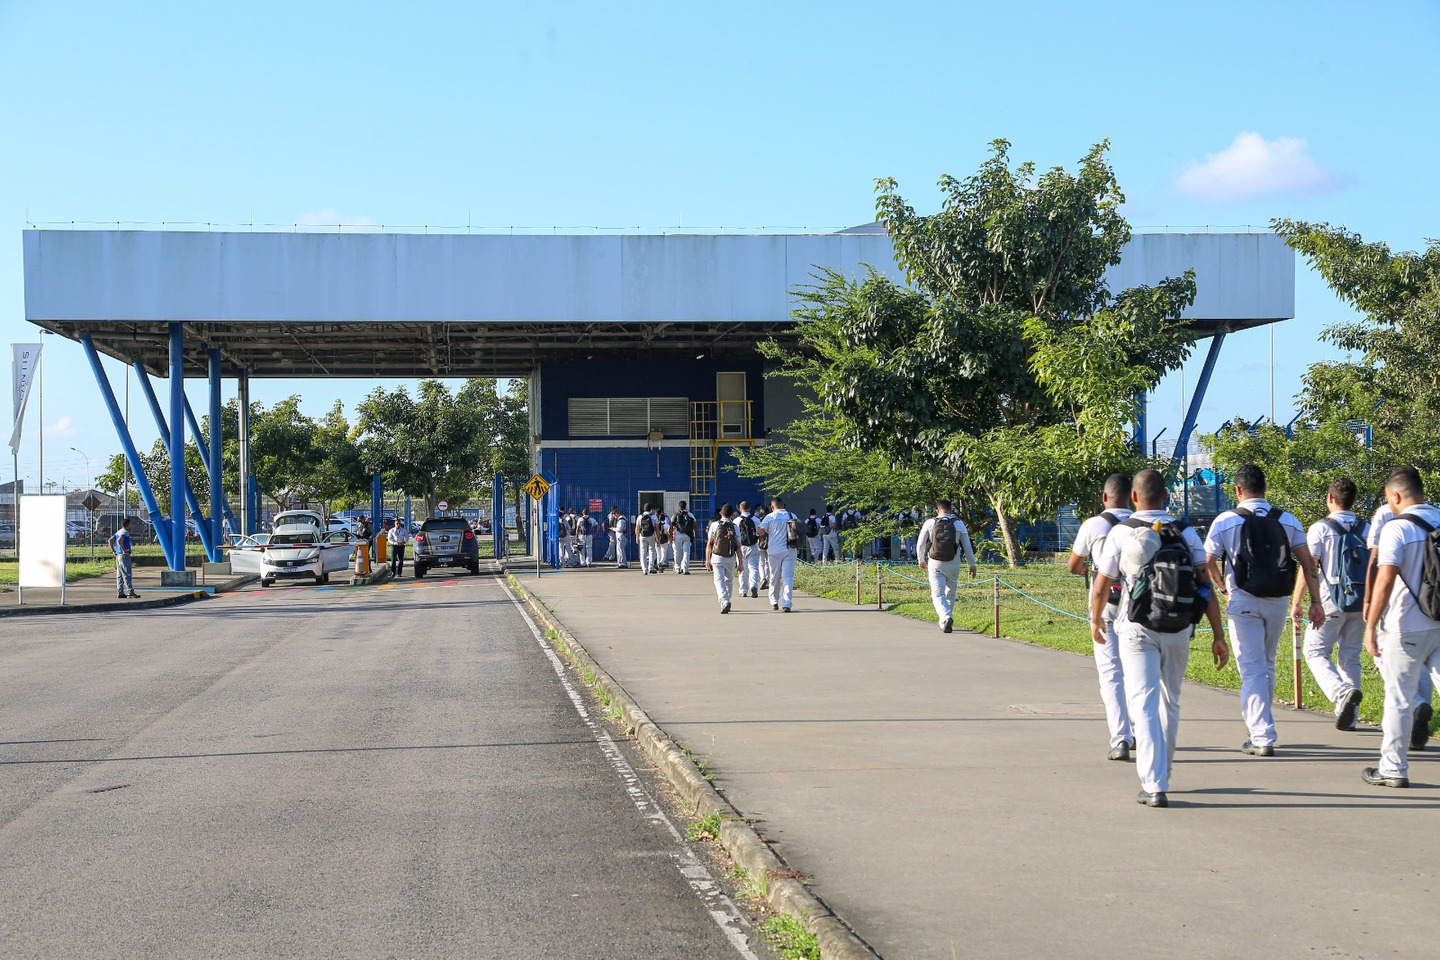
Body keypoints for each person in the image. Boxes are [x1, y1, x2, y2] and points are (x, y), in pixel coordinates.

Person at [1091, 469, 1228, 808]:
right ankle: (1164, 771)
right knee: (1171, 700)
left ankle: (1153, 784)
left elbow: (1101, 584)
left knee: (1143, 701)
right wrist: (1218, 634)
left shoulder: (1121, 532)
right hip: (1180, 625)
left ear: (1133, 498)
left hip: (1136, 627)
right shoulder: (1185, 532)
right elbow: (1204, 583)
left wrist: (1095, 620)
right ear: (1166, 497)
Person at [1204, 464, 1324, 757]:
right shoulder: (1288, 520)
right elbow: (1309, 564)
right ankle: (1261, 725)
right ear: (1265, 488)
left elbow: (1207, 563)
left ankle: (1261, 735)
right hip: (1278, 599)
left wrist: (1223, 589)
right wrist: (1316, 601)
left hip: (1242, 598)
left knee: (1251, 667)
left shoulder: (1225, 521)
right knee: (1266, 664)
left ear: (1238, 490)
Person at [1360, 468, 1440, 788]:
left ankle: (1393, 768)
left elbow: (1385, 580)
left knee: (1399, 698)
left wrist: (1370, 627)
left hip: (1406, 626)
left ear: (1395, 496)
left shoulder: (1397, 528)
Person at [1068, 473, 1136, 760]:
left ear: (1104, 497)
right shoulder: (1144, 523)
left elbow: (1074, 565)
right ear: (1133, 496)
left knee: (1111, 674)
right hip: (1139, 608)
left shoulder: (1093, 525)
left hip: (1104, 606)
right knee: (1138, 673)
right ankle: (1142, 732)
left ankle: (1120, 738)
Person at [1292, 476, 1369, 730]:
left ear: (1330, 499)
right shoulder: (1366, 528)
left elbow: (1308, 566)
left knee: (1315, 652)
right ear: (1353, 500)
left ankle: (1340, 693)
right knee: (1350, 657)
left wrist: (1298, 601)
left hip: (1330, 599)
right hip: (1360, 600)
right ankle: (1351, 716)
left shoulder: (1320, 528)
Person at [917, 500, 977, 634]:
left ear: (937, 510)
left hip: (935, 562)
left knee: (937, 594)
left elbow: (921, 543)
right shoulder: (959, 524)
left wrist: (921, 559)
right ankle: (945, 620)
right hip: (953, 563)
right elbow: (967, 546)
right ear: (951, 510)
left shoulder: (930, 523)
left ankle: (945, 617)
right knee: (951, 591)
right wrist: (972, 564)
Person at [758, 497, 800, 612]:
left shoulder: (770, 517)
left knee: (774, 576)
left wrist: (764, 529)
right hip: (790, 550)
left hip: (774, 551)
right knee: (788, 577)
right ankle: (786, 603)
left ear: (772, 507)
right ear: (783, 506)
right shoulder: (792, 515)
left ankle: (774, 601)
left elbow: (760, 531)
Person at [705, 503, 741, 614]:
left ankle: (724, 601)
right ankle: (727, 600)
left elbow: (710, 544)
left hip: (717, 557)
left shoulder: (714, 525)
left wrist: (707, 559)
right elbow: (738, 546)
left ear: (721, 513)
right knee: (729, 580)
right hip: (730, 557)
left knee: (718, 580)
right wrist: (741, 563)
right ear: (732, 515)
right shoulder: (735, 527)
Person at [736, 500, 761, 597]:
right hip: (753, 546)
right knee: (753, 568)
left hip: (741, 547)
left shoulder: (736, 521)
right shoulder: (756, 519)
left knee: (742, 568)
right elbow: (760, 533)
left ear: (740, 509)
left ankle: (743, 591)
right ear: (750, 508)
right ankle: (754, 586)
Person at [110, 517, 139, 599]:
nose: (131, 525)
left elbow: (110, 540)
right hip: (124, 556)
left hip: (118, 555)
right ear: (128, 524)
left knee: (119, 575)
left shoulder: (119, 531)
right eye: (131, 524)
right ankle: (131, 592)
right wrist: (124, 550)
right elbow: (119, 541)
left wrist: (113, 550)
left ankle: (120, 592)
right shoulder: (125, 532)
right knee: (127, 574)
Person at [672, 501, 697, 575]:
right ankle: (685, 569)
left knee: (677, 552)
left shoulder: (675, 514)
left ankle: (677, 568)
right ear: (686, 506)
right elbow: (695, 525)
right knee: (686, 552)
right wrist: (694, 533)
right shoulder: (690, 515)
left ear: (679, 506)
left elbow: (671, 525)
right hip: (687, 535)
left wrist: (671, 535)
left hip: (677, 535)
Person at [637, 503, 659, 575]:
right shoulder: (654, 517)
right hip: (651, 535)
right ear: (651, 509)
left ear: (644, 509)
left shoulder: (640, 517)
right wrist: (658, 538)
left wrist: (637, 537)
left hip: (642, 535)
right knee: (652, 551)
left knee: (643, 551)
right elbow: (657, 529)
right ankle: (651, 567)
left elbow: (637, 528)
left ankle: (644, 569)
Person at [754, 506, 771, 590]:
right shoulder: (770, 521)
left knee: (761, 562)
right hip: (769, 544)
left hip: (760, 544)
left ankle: (762, 578)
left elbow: (757, 533)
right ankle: (767, 580)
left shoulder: (758, 521)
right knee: (768, 562)